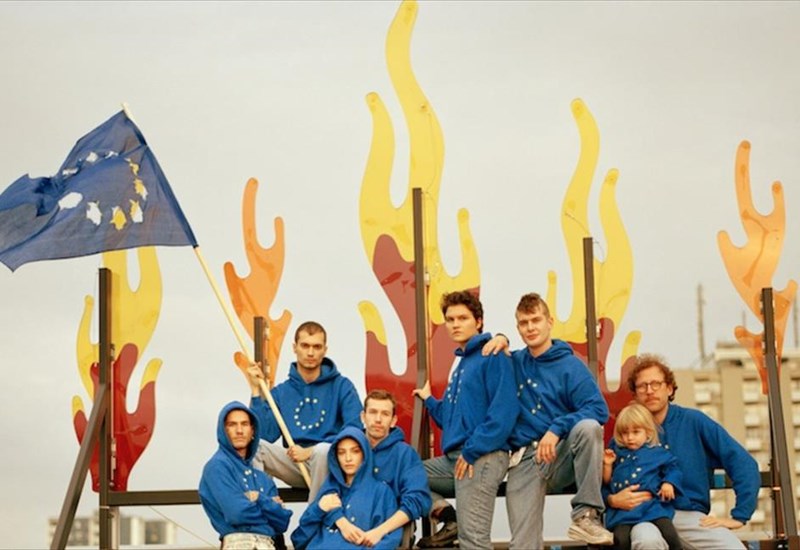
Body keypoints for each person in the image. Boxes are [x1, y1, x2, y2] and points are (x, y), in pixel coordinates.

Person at [483, 292, 614, 548]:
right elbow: (486, 357)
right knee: (523, 544)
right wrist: (500, 337)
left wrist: (557, 429)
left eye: (536, 320)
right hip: (523, 460)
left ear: (549, 322)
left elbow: (598, 409)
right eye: (524, 323)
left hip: (559, 455)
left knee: (588, 428)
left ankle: (586, 516)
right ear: (518, 328)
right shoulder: (514, 362)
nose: (530, 327)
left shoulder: (570, 365)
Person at [606, 354, 761, 549]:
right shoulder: (626, 434)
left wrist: (739, 516)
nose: (649, 391)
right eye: (642, 386)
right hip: (641, 514)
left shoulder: (694, 422)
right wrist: (612, 499)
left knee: (733, 548)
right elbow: (602, 479)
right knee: (647, 540)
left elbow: (742, 463)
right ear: (635, 394)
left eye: (656, 384)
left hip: (687, 515)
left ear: (669, 388)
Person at [412, 290, 518, 549]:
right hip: (455, 459)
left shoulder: (492, 354)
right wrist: (429, 400)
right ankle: (450, 519)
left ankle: (461, 526)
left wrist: (472, 450)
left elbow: (504, 413)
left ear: (478, 321)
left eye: (463, 318)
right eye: (450, 319)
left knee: (473, 540)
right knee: (407, 475)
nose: (455, 324)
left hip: (482, 456)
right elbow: (451, 418)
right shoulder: (460, 364)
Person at [248, 321, 362, 501]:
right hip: (295, 464)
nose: (310, 353)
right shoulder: (282, 392)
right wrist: (256, 392)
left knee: (322, 451)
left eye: (317, 347)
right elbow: (265, 435)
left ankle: (316, 516)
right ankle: (263, 509)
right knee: (255, 447)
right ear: (295, 348)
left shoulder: (342, 386)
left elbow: (355, 430)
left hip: (331, 464)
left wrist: (311, 451)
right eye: (305, 346)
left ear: (325, 350)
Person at [290, 427, 403, 550]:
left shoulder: (381, 492)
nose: (348, 458)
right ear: (335, 457)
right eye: (341, 452)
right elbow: (298, 539)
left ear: (365, 454)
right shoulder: (327, 492)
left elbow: (391, 539)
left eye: (355, 451)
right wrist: (318, 509)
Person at [199, 401, 292, 549]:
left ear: (253, 430)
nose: (239, 430)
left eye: (244, 424)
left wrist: (258, 498)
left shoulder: (263, 478)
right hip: (238, 543)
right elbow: (236, 514)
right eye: (232, 425)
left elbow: (282, 522)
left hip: (270, 544)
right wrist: (270, 507)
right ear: (223, 430)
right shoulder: (217, 467)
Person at [603, 402, 683, 550]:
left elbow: (673, 468)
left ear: (648, 432)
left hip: (652, 507)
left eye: (636, 432)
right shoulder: (617, 453)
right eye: (625, 433)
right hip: (623, 512)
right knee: (620, 539)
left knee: (670, 533)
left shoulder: (656, 452)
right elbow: (606, 481)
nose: (630, 438)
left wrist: (668, 483)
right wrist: (607, 465)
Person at [359, 389, 432, 545]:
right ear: (363, 417)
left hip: (388, 532)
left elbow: (417, 499)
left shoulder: (405, 454)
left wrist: (379, 531)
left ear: (393, 420)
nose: (378, 419)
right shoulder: (349, 449)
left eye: (385, 414)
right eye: (373, 412)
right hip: (349, 529)